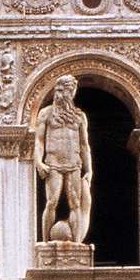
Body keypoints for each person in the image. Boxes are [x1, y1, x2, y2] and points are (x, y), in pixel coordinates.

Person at [34, 75, 92, 243]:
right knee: (51, 202)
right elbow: (39, 141)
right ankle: (45, 243)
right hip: (54, 164)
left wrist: (89, 169)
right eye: (60, 91)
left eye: (68, 91)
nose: (62, 95)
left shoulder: (79, 117)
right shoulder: (46, 114)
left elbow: (84, 145)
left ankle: (77, 242)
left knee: (75, 204)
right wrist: (39, 162)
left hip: (74, 164)